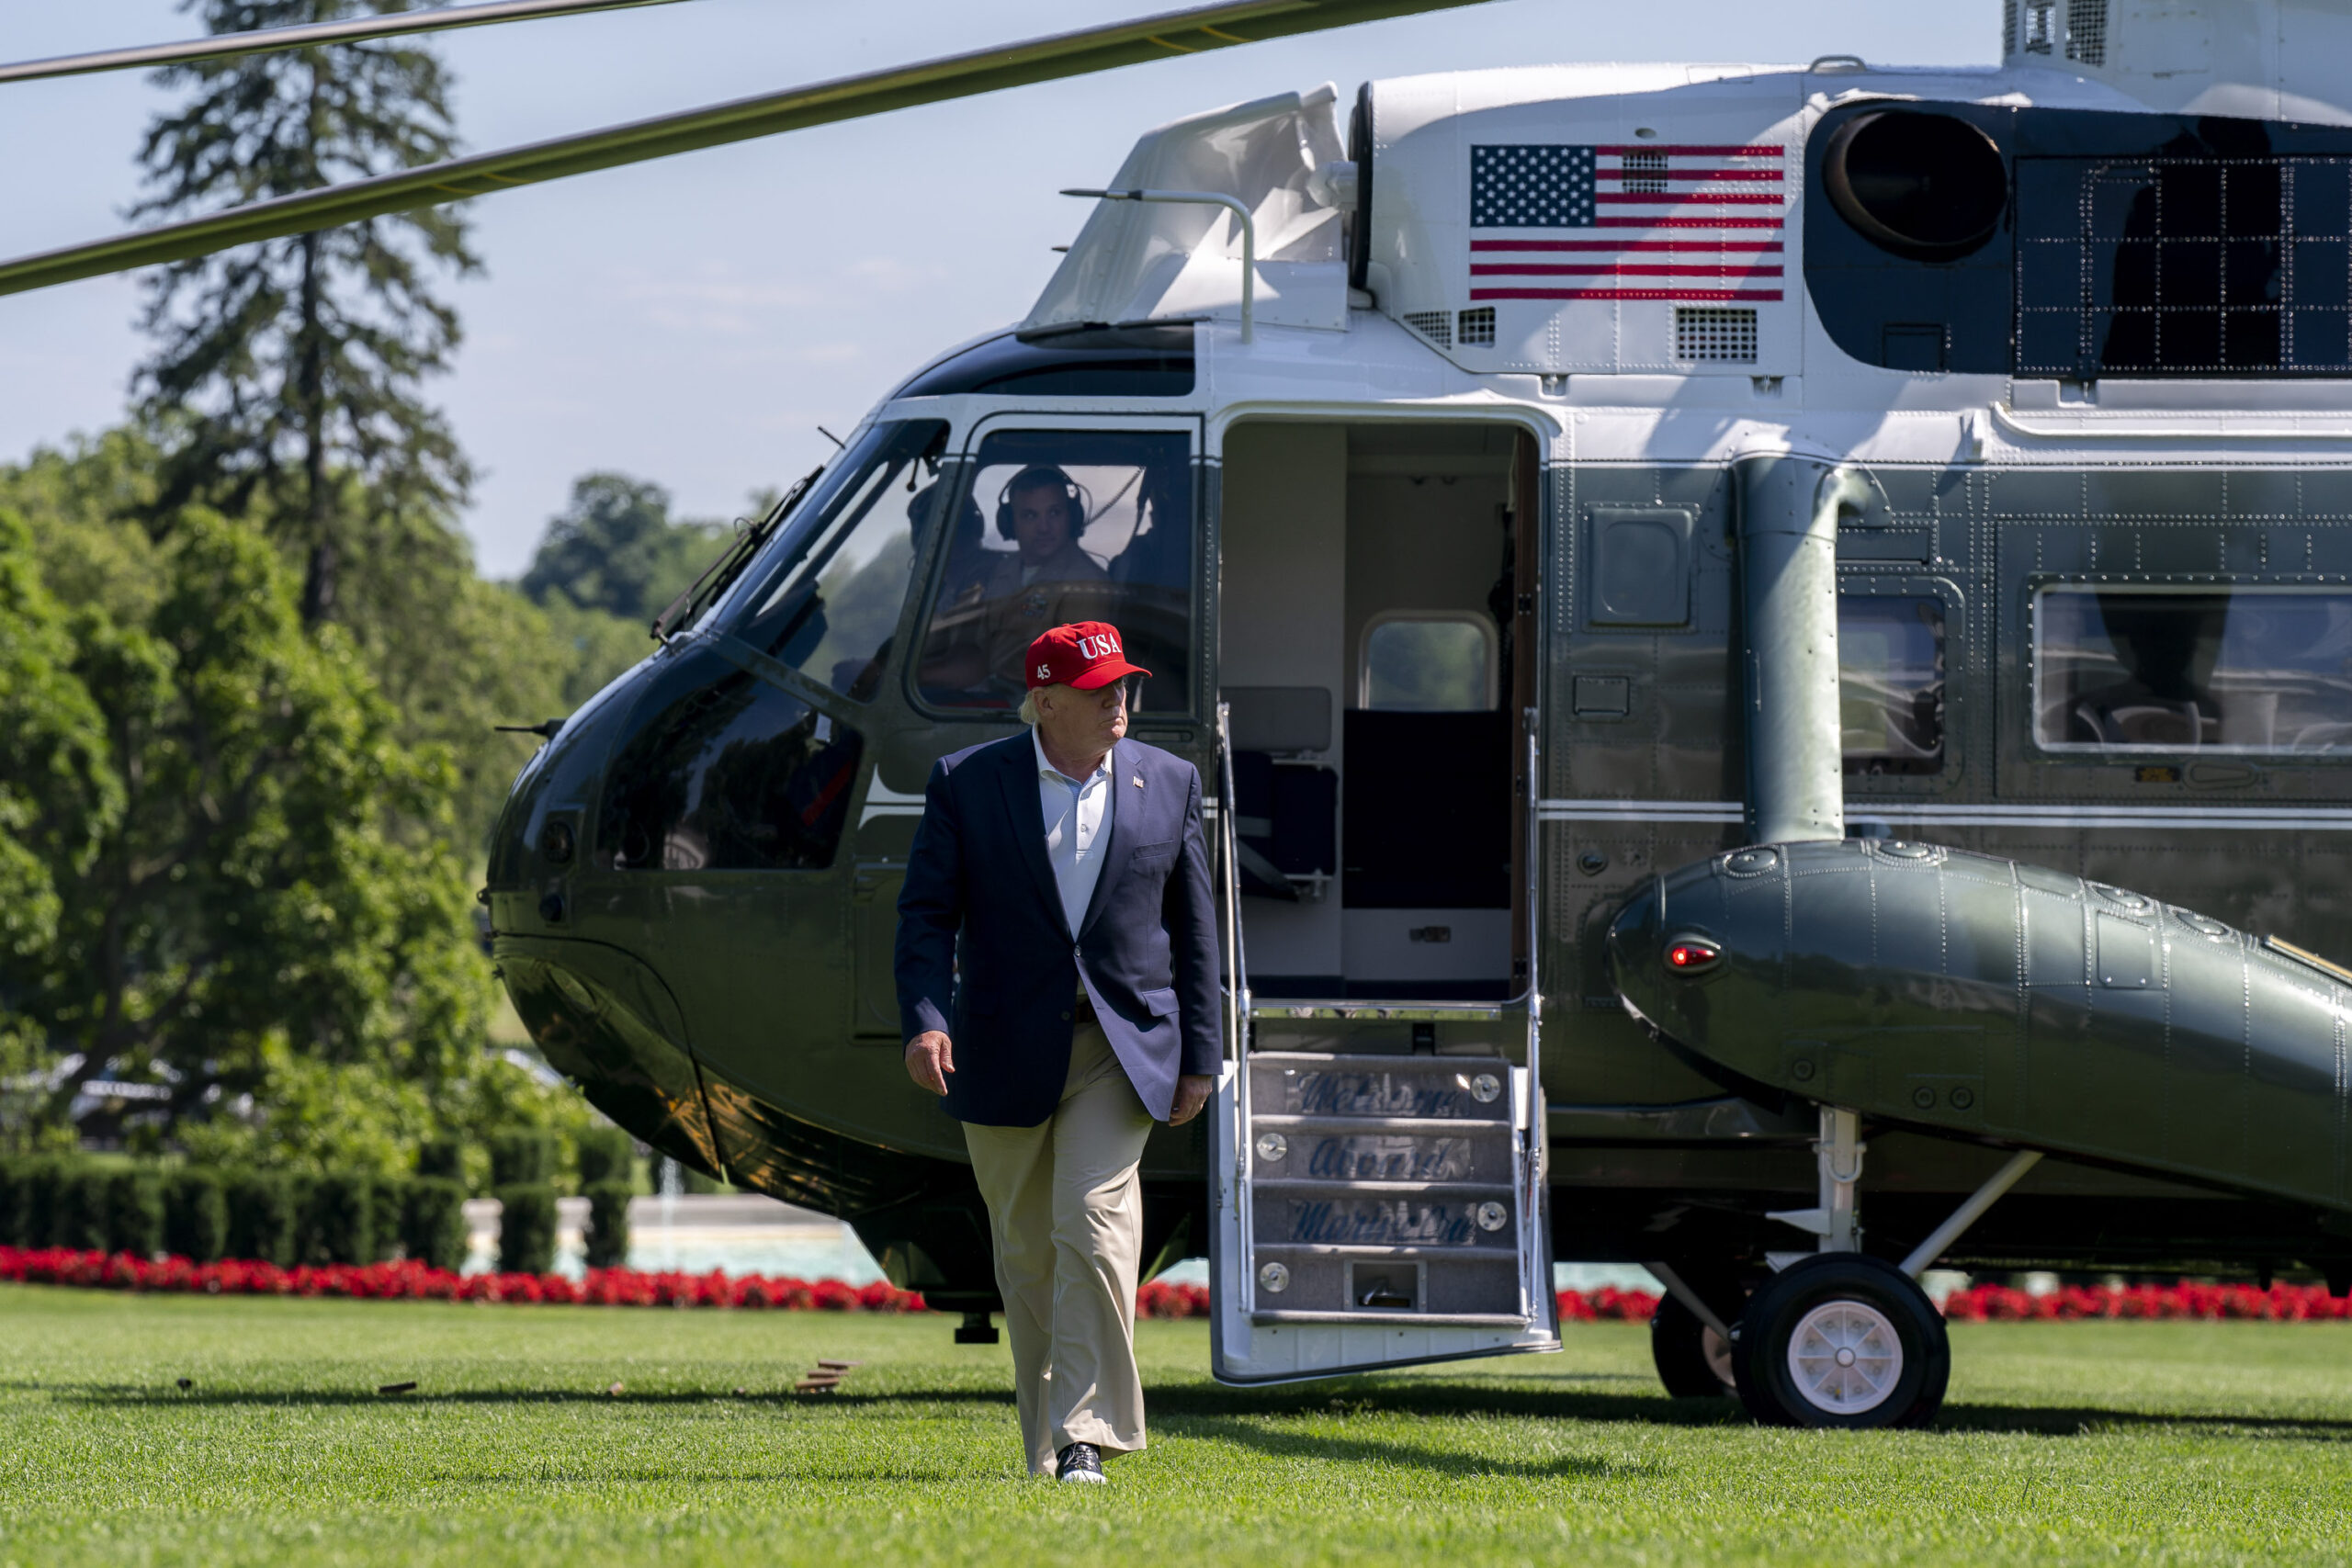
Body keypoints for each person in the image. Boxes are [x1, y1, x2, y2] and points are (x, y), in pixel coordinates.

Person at [894, 619, 1220, 1483]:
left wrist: (1202, 1053)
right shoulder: (967, 783)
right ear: (1043, 701)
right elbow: (926, 915)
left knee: (1093, 1224)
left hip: (1123, 1048)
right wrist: (927, 1018)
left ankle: (1086, 1434)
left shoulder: (1171, 781)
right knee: (1028, 1253)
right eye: (1098, 687)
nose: (1120, 698)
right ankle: (1047, 1447)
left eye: (1124, 684)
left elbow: (1196, 928)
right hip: (1000, 1050)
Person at [919, 467, 1114, 699]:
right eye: (1030, 515)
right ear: (1010, 522)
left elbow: (1078, 681)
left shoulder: (1086, 584)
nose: (1044, 528)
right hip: (992, 694)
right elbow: (978, 655)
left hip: (1037, 708)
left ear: (1071, 515)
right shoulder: (1002, 570)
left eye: (1054, 513)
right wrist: (920, 674)